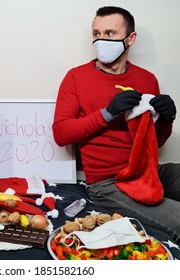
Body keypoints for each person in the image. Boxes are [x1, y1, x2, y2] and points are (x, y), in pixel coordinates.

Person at [53, 6, 180, 245]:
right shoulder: (76, 77)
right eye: (96, 33)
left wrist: (166, 119)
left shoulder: (147, 79)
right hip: (108, 183)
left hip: (148, 170)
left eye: (109, 33)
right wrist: (108, 113)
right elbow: (61, 133)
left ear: (130, 38)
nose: (101, 40)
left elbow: (154, 141)